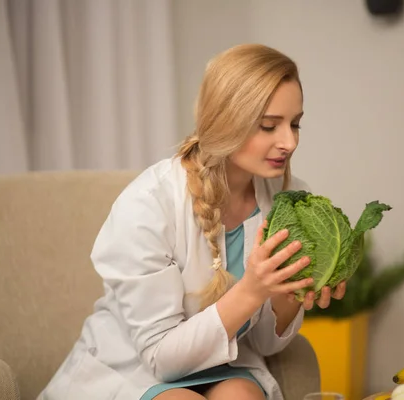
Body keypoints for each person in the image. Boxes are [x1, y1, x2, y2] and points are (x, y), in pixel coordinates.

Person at [39, 43, 346, 400]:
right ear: (226, 120)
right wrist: (252, 289)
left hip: (223, 363)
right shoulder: (148, 204)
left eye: (295, 124)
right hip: (135, 366)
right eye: (268, 126)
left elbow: (265, 342)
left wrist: (292, 292)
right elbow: (161, 358)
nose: (289, 142)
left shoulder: (289, 201)